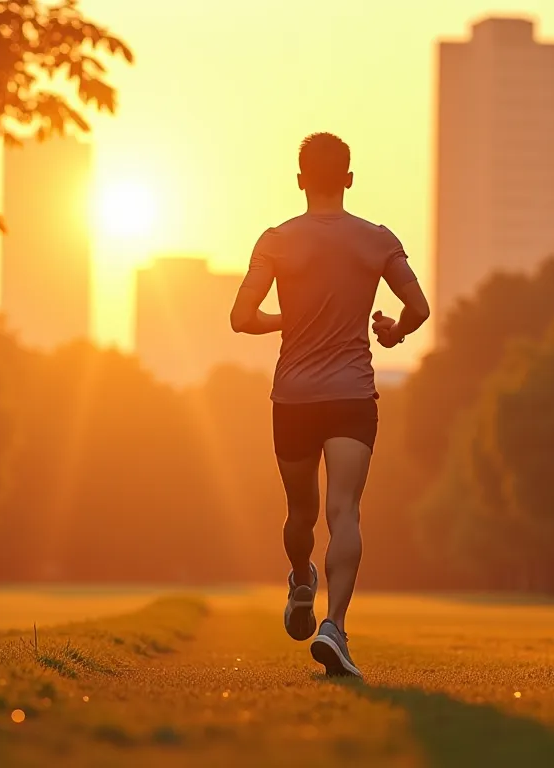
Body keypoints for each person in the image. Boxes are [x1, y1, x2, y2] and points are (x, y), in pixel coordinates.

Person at [229, 132, 430, 677]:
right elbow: (419, 306)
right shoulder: (378, 240)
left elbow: (241, 318)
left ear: (299, 181)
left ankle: (301, 580)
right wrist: (392, 334)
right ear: (348, 179)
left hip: (292, 397)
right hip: (351, 396)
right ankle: (334, 627)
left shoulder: (274, 240)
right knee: (344, 512)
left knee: (301, 512)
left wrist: (283, 320)